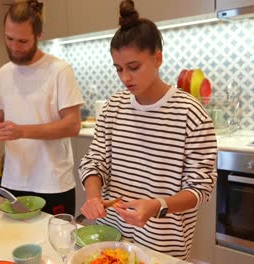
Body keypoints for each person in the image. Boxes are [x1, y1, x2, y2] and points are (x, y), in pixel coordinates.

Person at [78, 0, 218, 260]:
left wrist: (157, 206)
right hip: (113, 238)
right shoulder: (113, 107)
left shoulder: (191, 114)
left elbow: (201, 188)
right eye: (119, 69)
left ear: (158, 58)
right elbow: (94, 162)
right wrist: (94, 196)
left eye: (134, 67)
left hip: (162, 246)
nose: (125, 78)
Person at [0, 0, 84, 216]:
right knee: (15, 245)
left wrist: (22, 131)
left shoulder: (60, 71)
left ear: (39, 35)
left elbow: (73, 125)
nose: (15, 47)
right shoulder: (2, 75)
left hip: (53, 183)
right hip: (13, 181)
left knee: (56, 248)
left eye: (23, 41)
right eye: (9, 38)